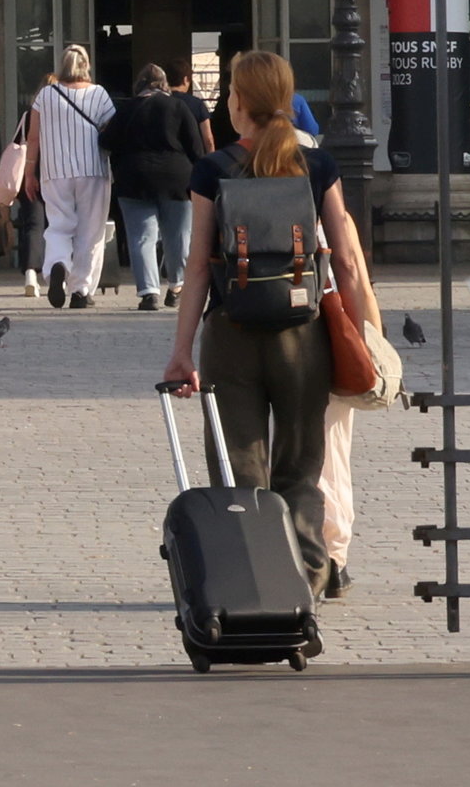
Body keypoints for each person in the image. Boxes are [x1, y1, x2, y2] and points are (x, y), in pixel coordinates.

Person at [159, 46, 380, 600]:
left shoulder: (213, 169)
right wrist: (361, 334)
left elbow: (197, 265)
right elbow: (347, 260)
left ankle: (254, 587)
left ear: (238, 103)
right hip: (301, 336)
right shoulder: (318, 164)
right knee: (301, 472)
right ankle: (307, 578)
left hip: (231, 336)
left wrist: (182, 350)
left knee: (239, 474)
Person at [109, 61, 207, 310]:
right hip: (177, 179)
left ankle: (148, 292)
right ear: (165, 85)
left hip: (134, 179)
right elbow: (196, 147)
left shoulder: (126, 109)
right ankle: (176, 285)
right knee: (178, 237)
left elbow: (106, 141)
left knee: (142, 237)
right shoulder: (179, 107)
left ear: (138, 85)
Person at [25, 47, 118, 307]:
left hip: (54, 171)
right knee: (91, 232)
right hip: (93, 170)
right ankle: (81, 290)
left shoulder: (45, 95)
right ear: (86, 65)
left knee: (58, 226)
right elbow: (113, 130)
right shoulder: (99, 94)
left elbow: (33, 138)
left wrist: (29, 172)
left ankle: (57, 264)